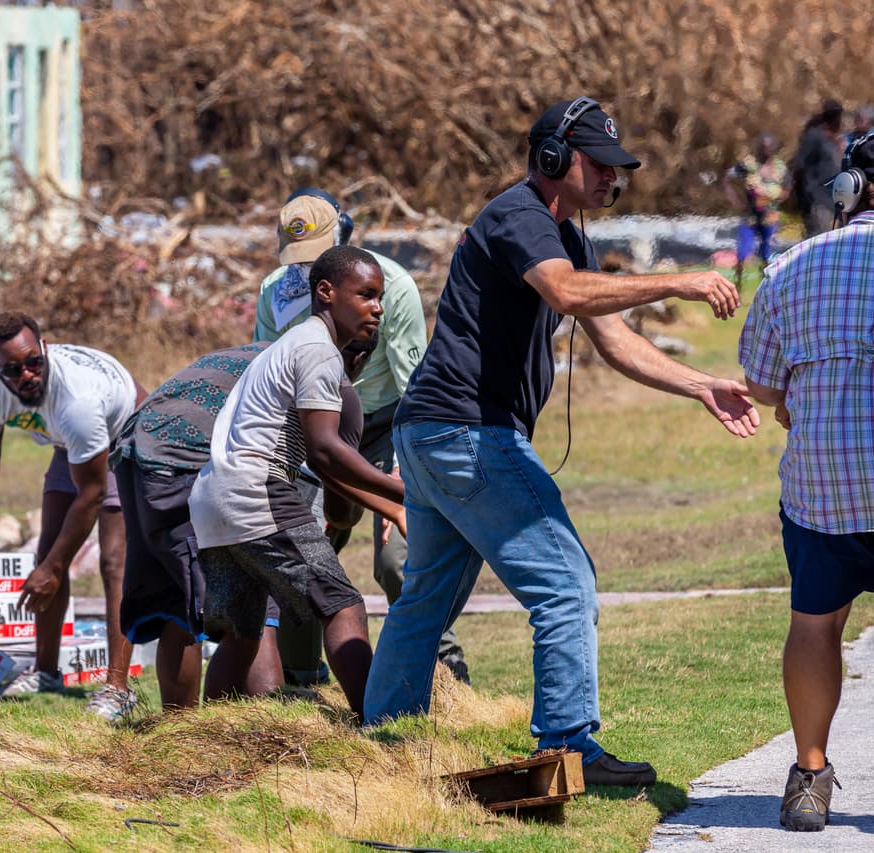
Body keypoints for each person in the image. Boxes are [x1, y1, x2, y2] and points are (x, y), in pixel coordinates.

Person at [363, 96, 760, 786]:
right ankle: (568, 745)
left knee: (424, 595)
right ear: (553, 160)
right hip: (467, 432)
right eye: (601, 165)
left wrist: (700, 384)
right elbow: (568, 295)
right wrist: (680, 279)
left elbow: (613, 340)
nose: (615, 179)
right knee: (565, 583)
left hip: (429, 433)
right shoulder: (520, 216)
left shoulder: (563, 234)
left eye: (619, 168)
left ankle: (383, 743)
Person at [253, 189, 469, 684]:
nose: (307, 276)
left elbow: (416, 383)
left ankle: (441, 668)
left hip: (386, 424)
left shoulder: (390, 286)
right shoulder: (273, 292)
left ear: (345, 236)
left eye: (316, 260)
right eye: (297, 261)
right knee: (302, 555)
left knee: (398, 557)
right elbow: (268, 374)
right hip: (310, 431)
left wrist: (404, 474)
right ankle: (301, 679)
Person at [191, 245, 406, 717]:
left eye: (380, 297)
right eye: (366, 294)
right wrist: (403, 493)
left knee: (244, 633)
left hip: (211, 500)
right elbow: (326, 451)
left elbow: (323, 458)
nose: (377, 307)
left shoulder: (289, 345)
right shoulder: (317, 351)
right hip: (256, 488)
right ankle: (379, 726)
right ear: (325, 292)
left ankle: (209, 739)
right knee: (343, 605)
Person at [112, 338, 375, 709]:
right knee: (255, 612)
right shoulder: (329, 377)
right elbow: (336, 500)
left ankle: (182, 737)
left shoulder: (275, 351)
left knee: (180, 604)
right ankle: (264, 731)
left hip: (137, 449)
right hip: (196, 463)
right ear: (359, 358)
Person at [738, 130, 874, 832]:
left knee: (816, 626)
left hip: (826, 493)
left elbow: (761, 384)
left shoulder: (792, 267)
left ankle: (809, 778)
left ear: (851, 188)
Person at [0, 312, 146, 722]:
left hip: (128, 430)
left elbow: (93, 493)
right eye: (13, 369)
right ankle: (47, 672)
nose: (27, 374)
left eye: (35, 362)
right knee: (48, 551)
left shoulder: (78, 400)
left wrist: (53, 567)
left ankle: (118, 688)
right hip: (70, 442)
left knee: (114, 561)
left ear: (45, 348)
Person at [722, 132, 789, 292]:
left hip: (769, 217)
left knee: (767, 256)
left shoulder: (780, 168)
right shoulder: (748, 165)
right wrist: (735, 200)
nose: (766, 151)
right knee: (742, 253)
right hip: (750, 216)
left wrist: (777, 197)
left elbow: (787, 187)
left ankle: (766, 290)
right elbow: (727, 177)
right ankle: (737, 288)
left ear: (773, 148)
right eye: (763, 147)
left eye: (769, 147)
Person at [792, 99, 845, 237]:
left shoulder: (833, 140)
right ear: (835, 118)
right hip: (817, 200)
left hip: (831, 200)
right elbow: (799, 166)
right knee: (821, 239)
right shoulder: (814, 136)